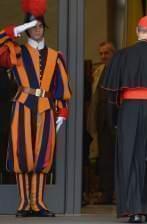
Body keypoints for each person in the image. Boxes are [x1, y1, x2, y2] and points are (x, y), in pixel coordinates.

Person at [101, 15, 147, 223]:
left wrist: (113, 121)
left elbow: (112, 96)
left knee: (130, 159)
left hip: (128, 112)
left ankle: (135, 210)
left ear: (137, 31)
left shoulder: (120, 56)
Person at [0, 0, 71, 217]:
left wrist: (63, 112)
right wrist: (17, 30)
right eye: (32, 26)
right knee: (22, 154)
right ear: (26, 29)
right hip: (23, 104)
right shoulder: (16, 52)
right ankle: (24, 204)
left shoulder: (55, 55)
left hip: (46, 107)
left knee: (43, 156)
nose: (37, 29)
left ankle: (38, 203)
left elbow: (61, 86)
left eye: (39, 25)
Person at [87, 41, 116, 204]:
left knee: (117, 159)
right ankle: (106, 193)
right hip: (102, 121)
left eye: (107, 53)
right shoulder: (99, 71)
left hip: (116, 121)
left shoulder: (120, 70)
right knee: (105, 159)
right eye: (101, 53)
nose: (103, 56)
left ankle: (117, 193)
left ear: (114, 53)